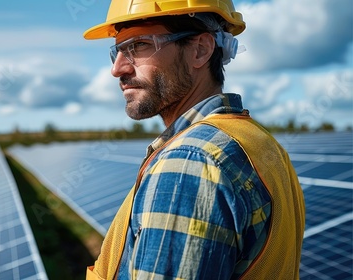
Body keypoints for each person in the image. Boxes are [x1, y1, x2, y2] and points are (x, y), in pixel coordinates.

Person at [83, 0, 306, 279]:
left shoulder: (189, 162)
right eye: (117, 51)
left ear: (200, 50)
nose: (118, 69)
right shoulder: (260, 142)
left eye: (138, 46)